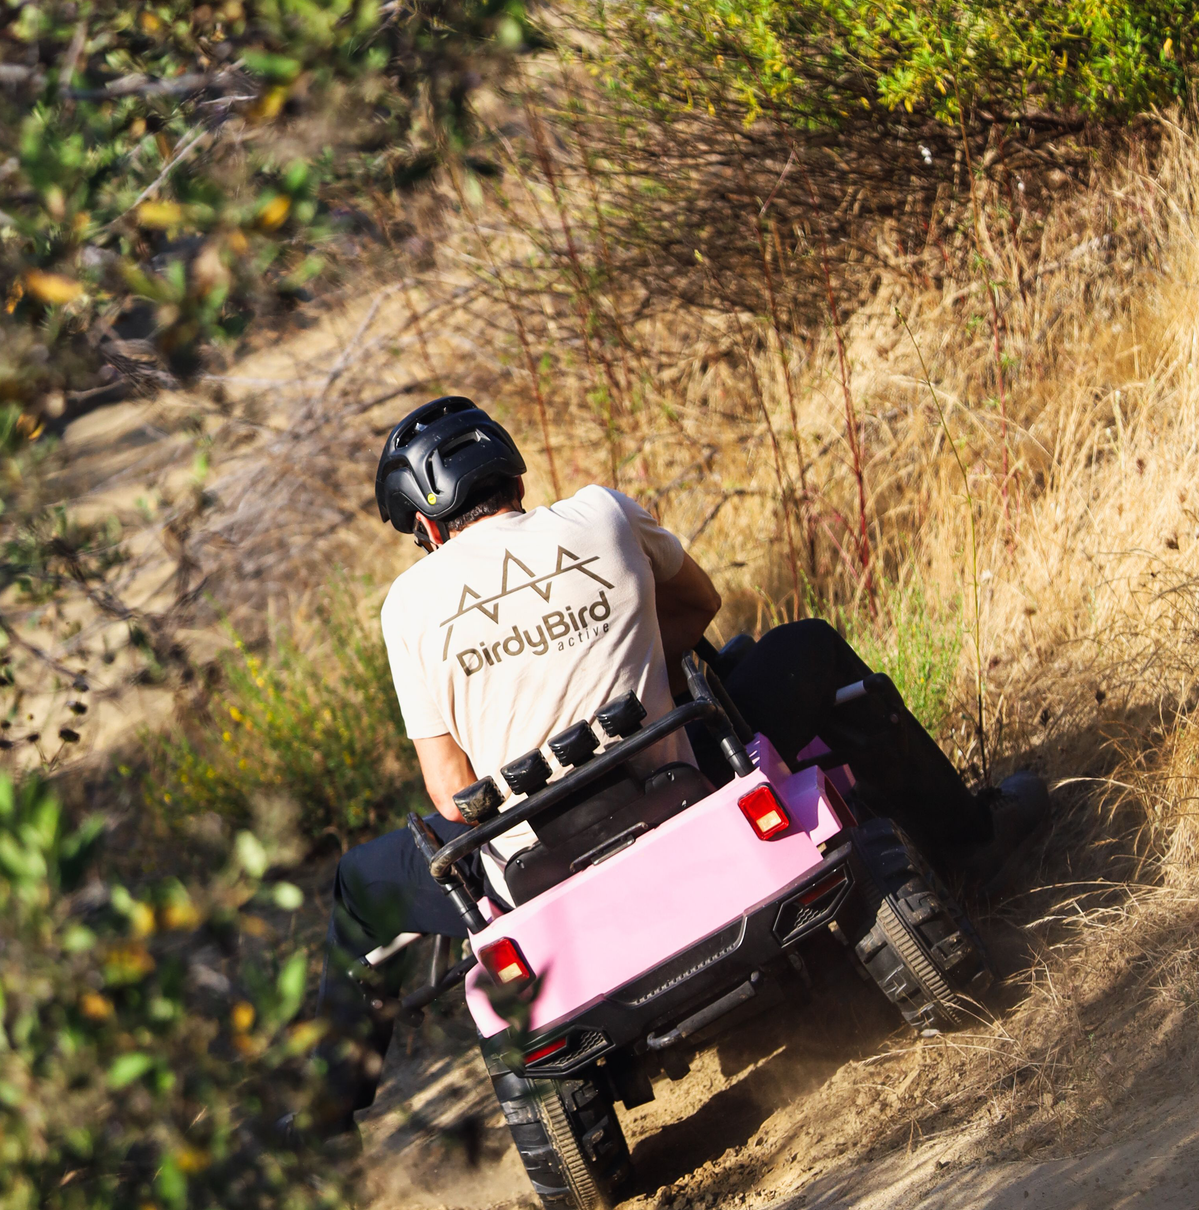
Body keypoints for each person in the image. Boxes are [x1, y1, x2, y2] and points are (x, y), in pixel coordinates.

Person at [315, 395, 1048, 1127]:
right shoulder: (600, 512)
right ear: (515, 480)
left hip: (532, 864)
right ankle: (970, 839)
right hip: (677, 787)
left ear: (427, 526)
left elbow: (452, 794)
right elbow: (700, 607)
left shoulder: (406, 606)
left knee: (357, 884)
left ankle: (333, 1102)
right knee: (806, 646)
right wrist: (633, 673)